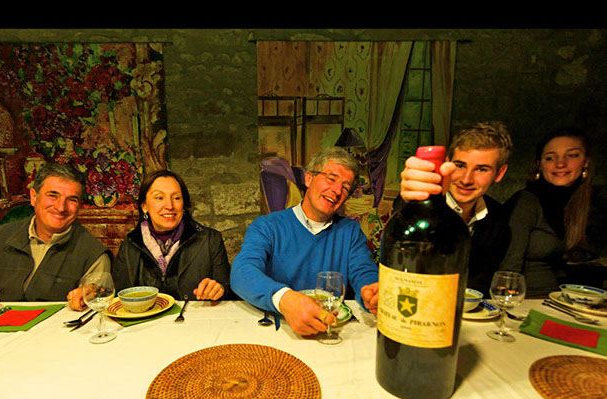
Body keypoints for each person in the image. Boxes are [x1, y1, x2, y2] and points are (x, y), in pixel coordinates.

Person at [230, 148, 379, 336]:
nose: (337, 190)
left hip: (332, 328)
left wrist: (370, 292)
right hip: (279, 330)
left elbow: (364, 272)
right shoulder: (267, 226)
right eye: (331, 179)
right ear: (308, 178)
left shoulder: (350, 231)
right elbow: (242, 271)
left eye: (345, 187)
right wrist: (286, 300)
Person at [392, 121, 514, 296]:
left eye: (481, 169)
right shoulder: (418, 207)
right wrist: (413, 198)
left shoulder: (498, 218)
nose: (466, 179)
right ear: (447, 163)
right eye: (460, 165)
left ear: (500, 173)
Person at [0, 163, 112, 305]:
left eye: (72, 200)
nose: (61, 207)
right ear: (33, 196)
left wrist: (87, 296)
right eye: (52, 196)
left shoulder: (94, 254)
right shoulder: (3, 236)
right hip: (4, 318)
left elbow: (95, 301)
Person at [500, 127, 606, 296]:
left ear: (586, 162)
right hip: (527, 300)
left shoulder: (584, 203)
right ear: (539, 165)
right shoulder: (526, 203)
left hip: (562, 298)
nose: (560, 164)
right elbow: (507, 272)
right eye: (550, 158)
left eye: (572, 155)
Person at [111, 169, 232, 303]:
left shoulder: (210, 239)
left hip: (193, 315)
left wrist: (219, 290)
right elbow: (117, 296)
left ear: (183, 204)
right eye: (159, 198)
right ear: (144, 206)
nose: (169, 206)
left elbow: (228, 289)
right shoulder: (130, 243)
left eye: (176, 198)